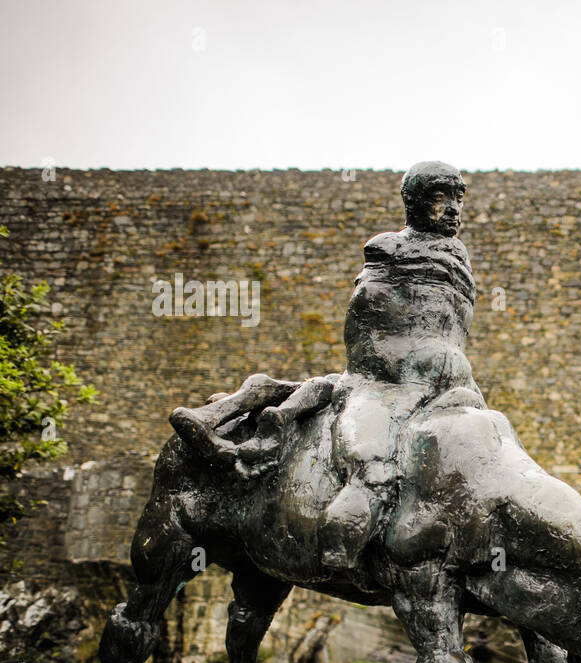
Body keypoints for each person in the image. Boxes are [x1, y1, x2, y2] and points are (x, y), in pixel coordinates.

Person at [169, 160, 486, 569]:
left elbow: (450, 333)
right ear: (415, 202)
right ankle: (347, 522)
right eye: (442, 199)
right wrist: (388, 368)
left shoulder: (456, 259)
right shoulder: (389, 251)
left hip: (444, 384)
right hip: (390, 378)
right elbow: (364, 322)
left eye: (459, 199)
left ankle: (266, 410)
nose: (454, 210)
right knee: (370, 453)